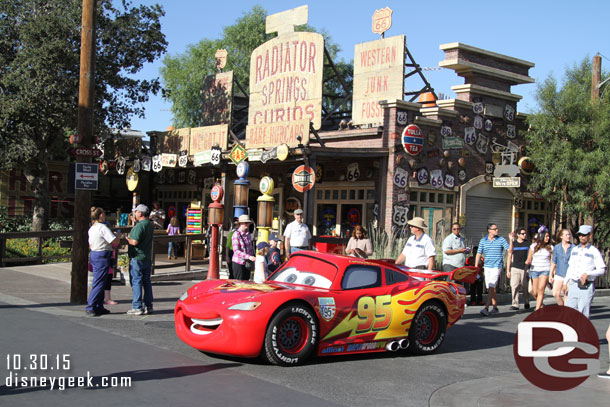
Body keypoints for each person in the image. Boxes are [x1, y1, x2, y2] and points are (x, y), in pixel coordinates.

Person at [563, 225, 606, 318]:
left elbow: (602, 269)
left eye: (584, 235)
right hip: (574, 284)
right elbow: (570, 267)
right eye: (580, 235)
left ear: (590, 236)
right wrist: (565, 282)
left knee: (583, 315)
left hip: (586, 286)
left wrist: (588, 274)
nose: (581, 237)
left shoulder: (594, 251)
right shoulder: (574, 249)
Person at [86, 207, 121, 317]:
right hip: (103, 254)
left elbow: (90, 244)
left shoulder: (92, 228)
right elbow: (113, 240)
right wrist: (118, 236)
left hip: (94, 253)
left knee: (100, 280)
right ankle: (91, 306)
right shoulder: (103, 227)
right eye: (104, 214)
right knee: (99, 282)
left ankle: (98, 306)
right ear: (101, 215)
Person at [476, 223, 513, 316]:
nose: (497, 230)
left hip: (497, 266)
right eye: (494, 229)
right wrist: (476, 266)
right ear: (489, 230)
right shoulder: (483, 241)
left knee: (492, 286)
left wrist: (511, 240)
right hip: (487, 266)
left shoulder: (501, 240)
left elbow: (509, 251)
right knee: (490, 288)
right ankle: (495, 307)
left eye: (497, 229)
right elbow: (478, 253)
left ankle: (486, 307)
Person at [125, 204, 155, 316]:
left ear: (140, 213)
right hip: (146, 256)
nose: (135, 213)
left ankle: (137, 306)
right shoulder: (150, 225)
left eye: (136, 212)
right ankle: (149, 305)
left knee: (136, 281)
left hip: (137, 256)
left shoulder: (140, 226)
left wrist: (127, 239)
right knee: (146, 281)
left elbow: (135, 242)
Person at [525, 226, 552, 311]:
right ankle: (540, 304)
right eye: (546, 236)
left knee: (541, 289)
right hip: (534, 270)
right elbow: (529, 258)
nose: (548, 238)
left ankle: (537, 309)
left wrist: (552, 273)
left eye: (548, 236)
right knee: (534, 291)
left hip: (545, 270)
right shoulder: (533, 246)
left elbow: (552, 261)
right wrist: (527, 261)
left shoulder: (550, 247)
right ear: (541, 236)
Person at [506, 227, 531, 310]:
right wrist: (508, 270)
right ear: (518, 235)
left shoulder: (528, 243)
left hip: (525, 268)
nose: (524, 235)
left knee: (525, 286)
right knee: (514, 285)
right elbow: (509, 255)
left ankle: (526, 301)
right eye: (523, 233)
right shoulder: (514, 244)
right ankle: (515, 304)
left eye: (525, 233)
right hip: (515, 267)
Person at [550, 228, 574, 306]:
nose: (568, 236)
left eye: (569, 234)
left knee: (566, 294)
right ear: (561, 236)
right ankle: (562, 307)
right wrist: (551, 274)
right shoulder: (557, 247)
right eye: (566, 235)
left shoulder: (574, 247)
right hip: (559, 273)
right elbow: (554, 261)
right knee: (555, 293)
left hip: (569, 275)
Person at [232, 214, 256, 281]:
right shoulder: (236, 234)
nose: (247, 224)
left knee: (246, 282)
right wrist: (249, 257)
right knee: (239, 283)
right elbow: (236, 251)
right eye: (245, 223)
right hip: (238, 262)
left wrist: (252, 257)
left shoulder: (248, 234)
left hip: (247, 263)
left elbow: (250, 248)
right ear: (240, 223)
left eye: (248, 223)